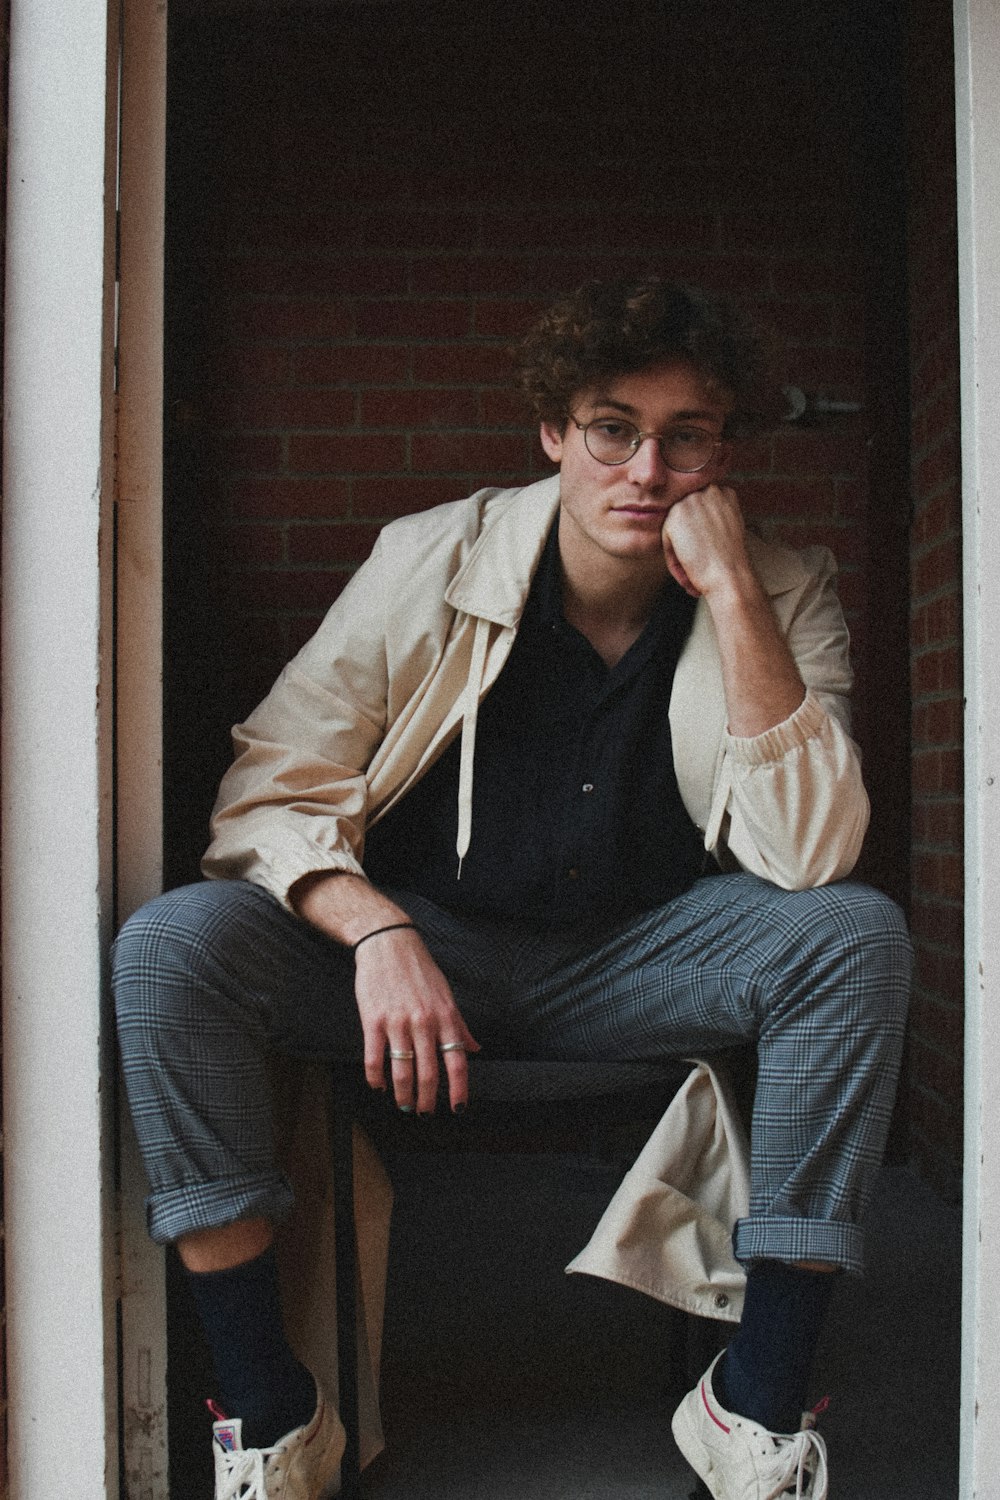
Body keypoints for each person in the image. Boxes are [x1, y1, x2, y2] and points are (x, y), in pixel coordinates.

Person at [113, 276, 912, 1500]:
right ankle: (270, 1416)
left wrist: (737, 595)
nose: (646, 469)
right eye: (611, 428)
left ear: (725, 449)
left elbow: (812, 855)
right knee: (174, 947)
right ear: (553, 432)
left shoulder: (783, 585)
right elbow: (268, 790)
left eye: (685, 436)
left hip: (645, 959)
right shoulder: (429, 558)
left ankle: (757, 1407)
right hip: (420, 951)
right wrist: (373, 926)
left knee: (852, 938)